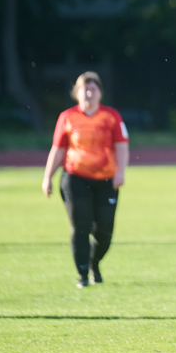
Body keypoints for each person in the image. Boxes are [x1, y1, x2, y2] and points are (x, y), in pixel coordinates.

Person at [41, 72, 129, 289]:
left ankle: (93, 263)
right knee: (81, 226)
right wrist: (48, 177)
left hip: (106, 179)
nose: (89, 93)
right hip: (75, 177)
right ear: (76, 93)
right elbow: (58, 149)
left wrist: (120, 172)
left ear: (100, 93)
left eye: (93, 89)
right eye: (84, 89)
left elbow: (122, 146)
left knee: (104, 232)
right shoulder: (67, 117)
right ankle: (82, 274)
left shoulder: (111, 116)